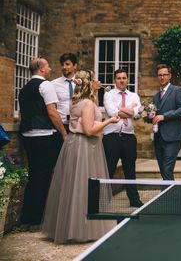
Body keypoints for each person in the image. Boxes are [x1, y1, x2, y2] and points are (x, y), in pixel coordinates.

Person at [42, 69, 120, 243]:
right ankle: (83, 229)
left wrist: (95, 93)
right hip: (85, 146)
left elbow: (88, 116)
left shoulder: (76, 101)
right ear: (89, 82)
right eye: (94, 79)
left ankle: (71, 226)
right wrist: (110, 120)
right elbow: (89, 129)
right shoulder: (87, 104)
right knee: (85, 187)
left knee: (73, 187)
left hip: (74, 144)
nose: (98, 81)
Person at [18, 57, 67, 228]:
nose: (51, 68)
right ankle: (37, 219)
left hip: (27, 136)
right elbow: (53, 112)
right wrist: (64, 133)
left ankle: (26, 218)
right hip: (44, 135)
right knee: (44, 177)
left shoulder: (23, 89)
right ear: (41, 68)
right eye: (48, 66)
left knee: (34, 175)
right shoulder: (46, 85)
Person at [102, 69, 143, 207]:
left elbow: (137, 115)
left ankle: (134, 199)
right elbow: (113, 113)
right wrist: (130, 111)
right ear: (115, 80)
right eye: (118, 78)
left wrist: (121, 109)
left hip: (128, 136)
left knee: (130, 169)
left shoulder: (134, 95)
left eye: (124, 78)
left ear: (128, 80)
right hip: (111, 136)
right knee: (109, 169)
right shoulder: (108, 94)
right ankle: (103, 199)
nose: (121, 80)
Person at [152, 64, 181, 180]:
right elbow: (156, 114)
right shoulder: (156, 96)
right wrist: (148, 115)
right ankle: (170, 194)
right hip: (159, 137)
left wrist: (165, 116)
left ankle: (166, 196)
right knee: (163, 169)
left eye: (164, 75)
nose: (162, 77)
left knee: (167, 168)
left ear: (170, 76)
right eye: (160, 75)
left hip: (173, 137)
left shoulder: (177, 90)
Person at [52, 53, 78, 134]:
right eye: (62, 64)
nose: (64, 67)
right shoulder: (53, 84)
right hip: (61, 125)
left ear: (75, 66)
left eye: (67, 64)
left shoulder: (82, 83)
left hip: (79, 125)